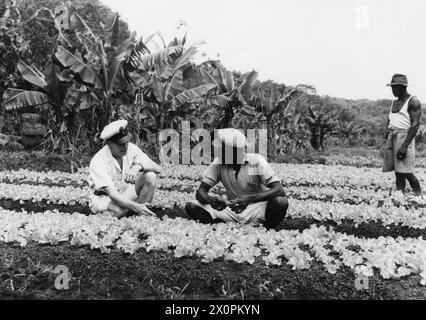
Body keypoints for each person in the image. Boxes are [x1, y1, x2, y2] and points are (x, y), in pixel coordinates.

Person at [185, 128, 288, 230]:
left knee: (280, 202)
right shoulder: (219, 163)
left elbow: (279, 190)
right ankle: (227, 225)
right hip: (232, 209)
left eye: (221, 149)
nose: (218, 152)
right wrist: (211, 200)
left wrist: (249, 198)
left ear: (233, 151)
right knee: (192, 206)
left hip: (257, 209)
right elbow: (201, 192)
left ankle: (266, 228)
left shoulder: (255, 161)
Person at [88, 119, 162, 218]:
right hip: (103, 198)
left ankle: (143, 217)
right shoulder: (99, 162)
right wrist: (137, 206)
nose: (125, 147)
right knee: (119, 211)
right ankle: (102, 220)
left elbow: (158, 168)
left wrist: (138, 167)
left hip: (123, 192)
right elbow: (113, 196)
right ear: (109, 144)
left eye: (126, 142)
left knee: (150, 176)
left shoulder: (131, 148)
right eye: (120, 144)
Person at [383, 74, 422, 198]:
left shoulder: (413, 101)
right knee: (398, 173)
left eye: (395, 88)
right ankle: (400, 196)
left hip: (405, 139)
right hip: (393, 137)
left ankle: (419, 197)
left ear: (402, 87)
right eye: (392, 88)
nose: (393, 90)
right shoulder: (394, 102)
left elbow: (415, 125)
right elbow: (390, 121)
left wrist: (404, 146)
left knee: (407, 172)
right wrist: (387, 139)